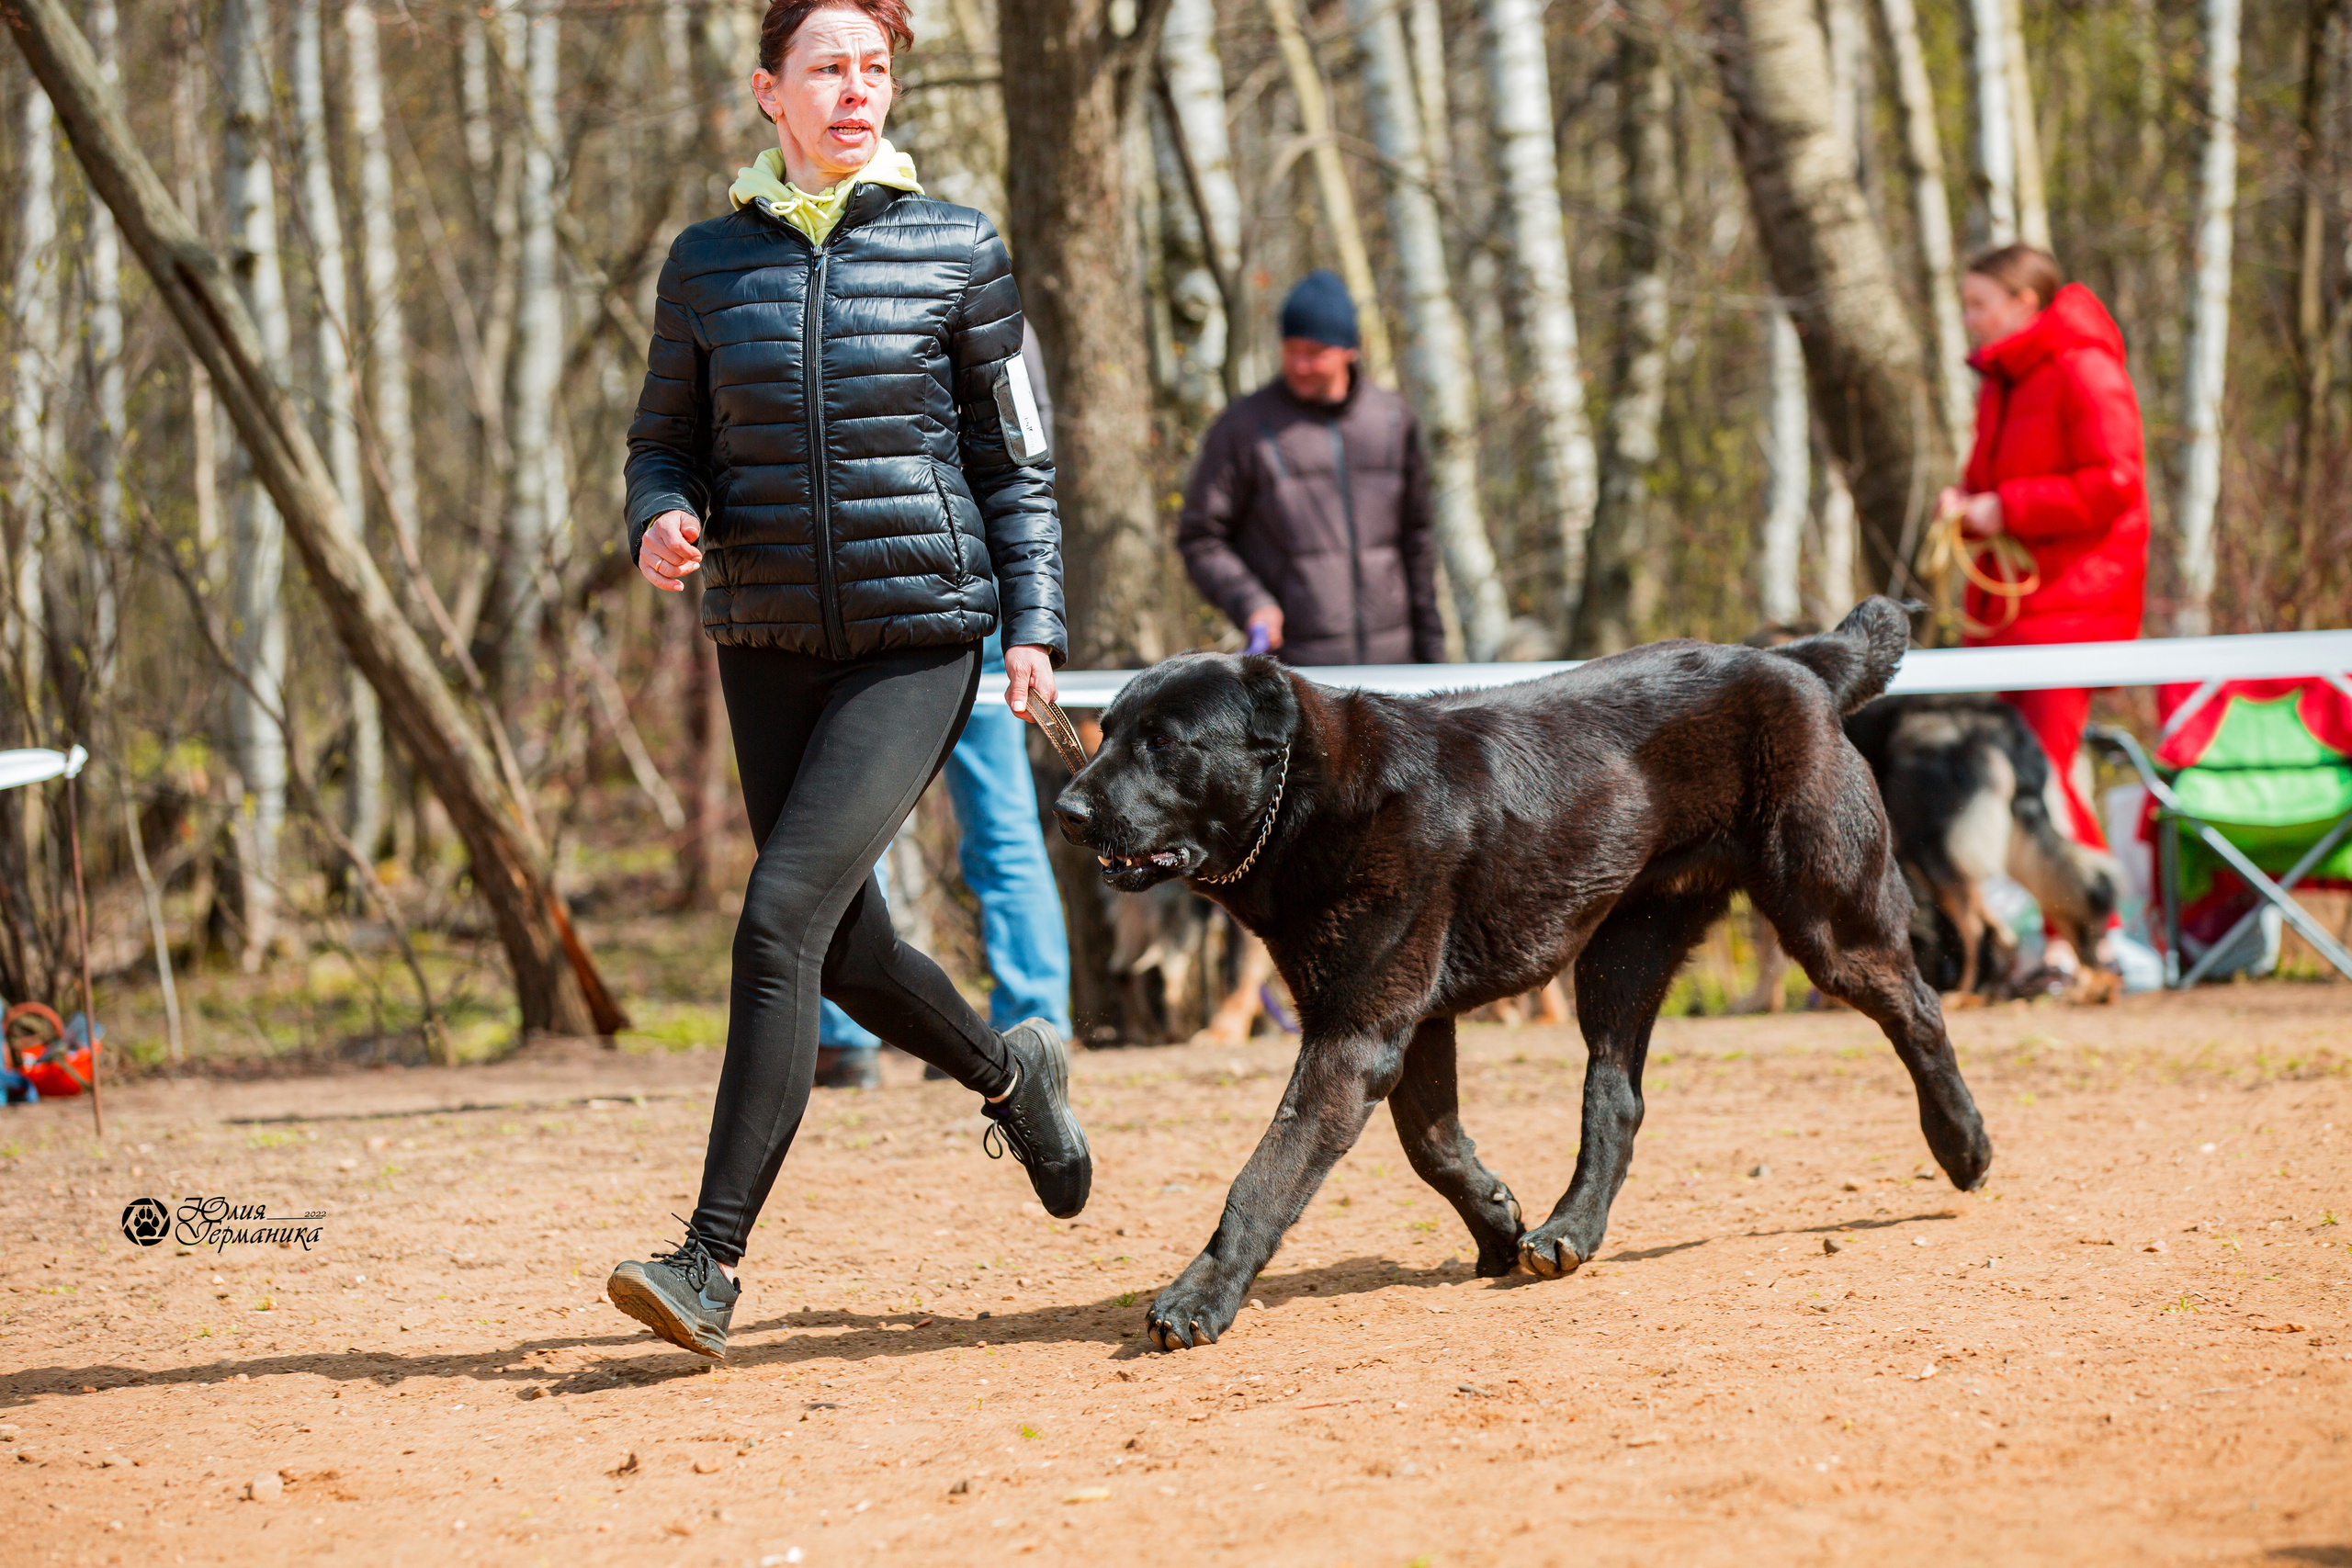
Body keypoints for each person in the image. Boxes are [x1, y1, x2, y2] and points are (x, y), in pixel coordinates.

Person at [611, 0, 1090, 1359]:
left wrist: (1034, 624)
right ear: (770, 92)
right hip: (763, 638)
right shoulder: (705, 266)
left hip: (918, 632)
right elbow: (664, 442)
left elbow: (1017, 460)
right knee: (851, 943)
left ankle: (707, 1261)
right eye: (828, 68)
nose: (856, 90)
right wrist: (658, 514)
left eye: (875, 68)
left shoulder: (957, 247)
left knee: (777, 923)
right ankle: (1013, 1074)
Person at [815, 332, 1071, 1089]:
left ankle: (1027, 1022)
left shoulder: (906, 308)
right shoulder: (993, 319)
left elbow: (1024, 471)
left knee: (882, 823)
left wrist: (1029, 619)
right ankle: (1025, 1016)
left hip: (938, 602)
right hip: (905, 599)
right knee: (966, 824)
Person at [1937, 243, 2149, 976]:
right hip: (2013, 610)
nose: (1968, 319)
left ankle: (2095, 933)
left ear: (2024, 302)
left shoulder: (2082, 366)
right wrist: (1967, 509)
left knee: (2047, 774)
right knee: (2020, 774)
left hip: (2074, 607)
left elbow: (2115, 482)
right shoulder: (2004, 379)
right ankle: (2060, 936)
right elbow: (1995, 483)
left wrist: (2007, 509)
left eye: (1978, 304)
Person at [1177, 270, 1445, 666]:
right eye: (1292, 350)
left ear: (1350, 350)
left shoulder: (1392, 419)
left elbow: (1418, 543)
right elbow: (1201, 537)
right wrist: (1251, 602)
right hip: (1296, 676)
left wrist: (1434, 659)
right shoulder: (1243, 427)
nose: (1300, 365)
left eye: (1315, 353)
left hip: (1393, 672)